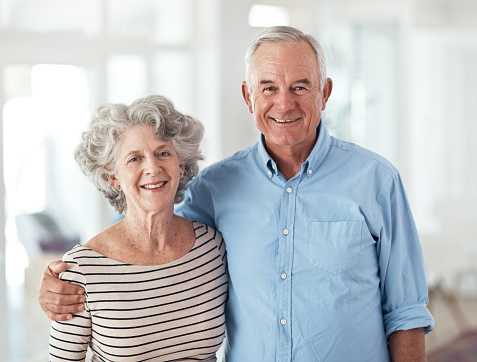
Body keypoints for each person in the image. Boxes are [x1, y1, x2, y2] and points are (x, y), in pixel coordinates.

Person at [40, 26, 434, 361]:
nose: (284, 103)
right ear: (248, 96)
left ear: (325, 92)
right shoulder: (216, 187)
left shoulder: (377, 181)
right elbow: (148, 225)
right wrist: (65, 283)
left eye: (300, 86)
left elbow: (407, 313)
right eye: (268, 88)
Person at [47, 95, 228, 361]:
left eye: (163, 153)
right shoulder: (81, 268)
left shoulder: (212, 246)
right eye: (134, 159)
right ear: (113, 177)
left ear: (181, 165)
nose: (152, 168)